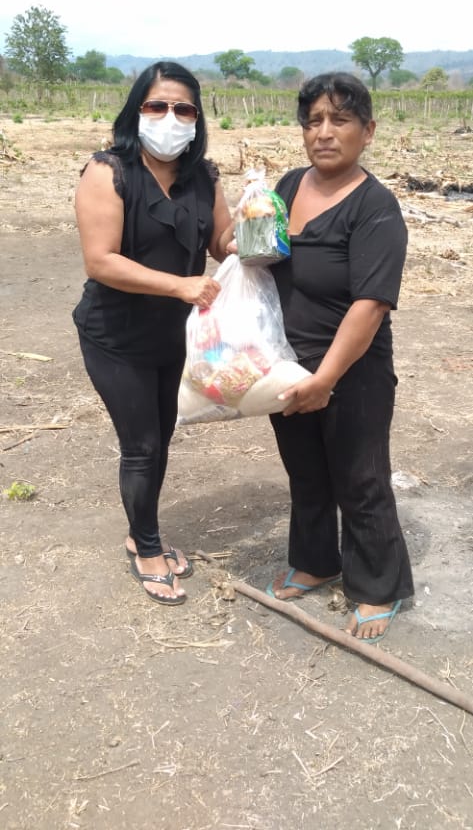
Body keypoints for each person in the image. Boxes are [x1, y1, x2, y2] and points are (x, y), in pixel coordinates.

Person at [73, 61, 235, 605]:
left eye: (183, 109)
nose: (170, 117)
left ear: (197, 118)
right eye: (157, 105)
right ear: (136, 110)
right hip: (115, 334)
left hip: (174, 335)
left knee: (160, 436)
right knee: (141, 444)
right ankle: (146, 547)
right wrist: (180, 286)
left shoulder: (203, 177)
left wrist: (253, 233)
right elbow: (101, 260)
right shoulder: (109, 172)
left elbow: (221, 242)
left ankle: (140, 529)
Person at [265, 72, 414, 643]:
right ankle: (315, 561)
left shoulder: (376, 207)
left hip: (352, 371)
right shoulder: (288, 184)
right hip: (286, 363)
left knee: (360, 477)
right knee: (305, 471)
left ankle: (378, 586)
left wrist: (326, 378)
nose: (323, 132)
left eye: (340, 119)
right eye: (313, 121)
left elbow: (370, 306)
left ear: (367, 131)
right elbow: (263, 250)